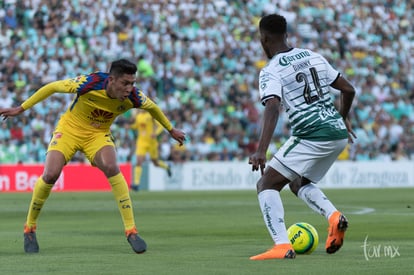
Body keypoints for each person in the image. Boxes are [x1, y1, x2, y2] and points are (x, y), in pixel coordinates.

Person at [0, 59, 186, 254]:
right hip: (70, 130)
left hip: (98, 135)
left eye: (132, 83)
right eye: (125, 83)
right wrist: (20, 108)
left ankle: (131, 231)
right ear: (112, 80)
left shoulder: (135, 97)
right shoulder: (90, 83)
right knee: (50, 174)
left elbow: (154, 108)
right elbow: (53, 87)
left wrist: (171, 130)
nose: (129, 89)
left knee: (112, 167)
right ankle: (30, 228)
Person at [248, 14, 356, 260]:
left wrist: (260, 150)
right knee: (299, 183)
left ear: (263, 39)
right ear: (286, 34)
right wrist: (342, 117)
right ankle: (334, 217)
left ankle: (281, 246)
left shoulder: (271, 70)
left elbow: (272, 106)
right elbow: (349, 89)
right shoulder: (312, 56)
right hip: (336, 134)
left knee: (266, 184)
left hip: (312, 133)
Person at [130, 108, 172, 191]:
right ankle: (136, 184)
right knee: (139, 161)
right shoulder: (138, 116)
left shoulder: (150, 115)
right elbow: (136, 126)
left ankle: (167, 167)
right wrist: (130, 126)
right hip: (141, 142)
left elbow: (160, 126)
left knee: (155, 163)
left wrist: (155, 133)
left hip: (152, 142)